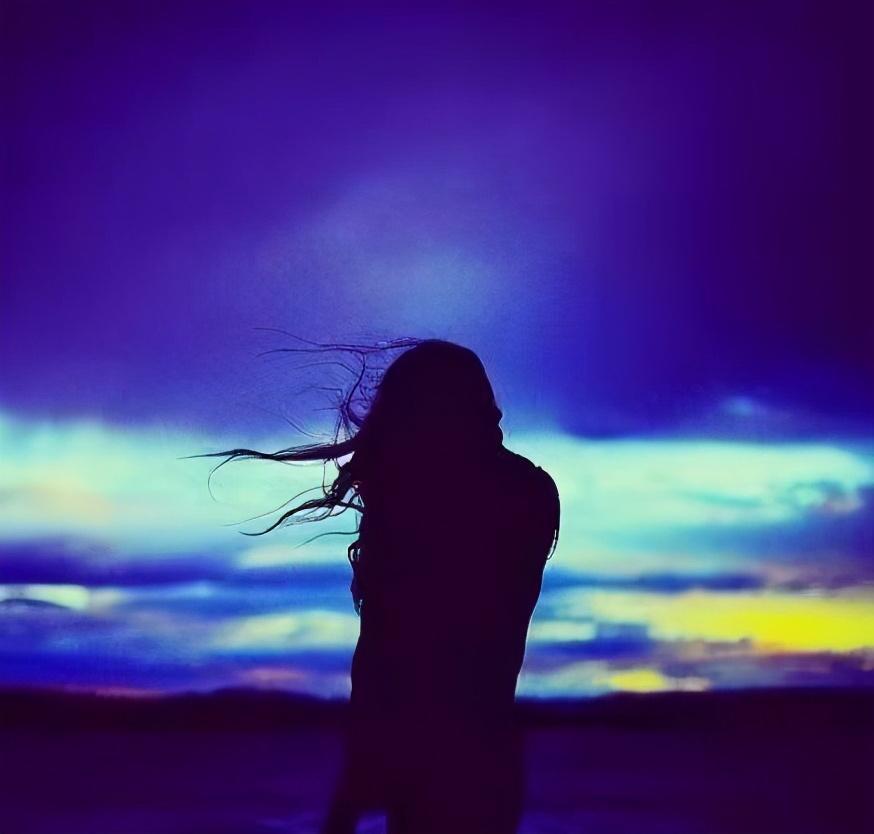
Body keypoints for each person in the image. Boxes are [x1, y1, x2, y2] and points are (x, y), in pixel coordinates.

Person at [205, 338, 559, 834]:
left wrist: (348, 802)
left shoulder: (427, 505)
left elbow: (389, 654)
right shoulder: (526, 490)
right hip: (487, 759)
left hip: (436, 762)